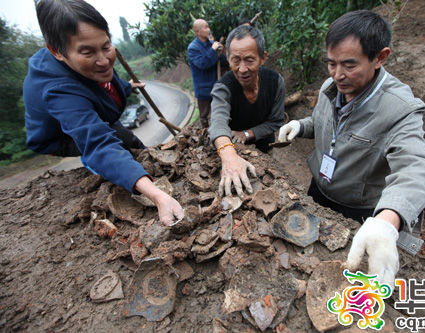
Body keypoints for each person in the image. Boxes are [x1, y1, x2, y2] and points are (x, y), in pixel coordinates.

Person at [278, 10, 425, 289]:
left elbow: (417, 167)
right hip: (318, 192)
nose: (338, 74)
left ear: (380, 57)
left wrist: (387, 222)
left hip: (360, 214)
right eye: (331, 63)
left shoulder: (400, 109)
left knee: (346, 282)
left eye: (349, 65)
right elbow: (326, 124)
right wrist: (301, 126)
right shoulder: (332, 86)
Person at [24, 0, 183, 226]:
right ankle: (127, 177)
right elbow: (98, 143)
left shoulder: (93, 62)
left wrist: (127, 87)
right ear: (56, 52)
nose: (103, 60)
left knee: (128, 141)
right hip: (61, 135)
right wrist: (157, 195)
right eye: (88, 52)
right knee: (114, 144)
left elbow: (108, 82)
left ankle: (142, 169)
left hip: (100, 118)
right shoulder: (58, 90)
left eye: (106, 46)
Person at [209, 25, 285, 197]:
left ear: (262, 58)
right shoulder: (223, 88)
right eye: (236, 60)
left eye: (249, 60)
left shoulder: (275, 82)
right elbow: (218, 122)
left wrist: (247, 134)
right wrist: (229, 155)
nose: (242, 69)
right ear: (227, 58)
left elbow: (275, 121)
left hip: (264, 146)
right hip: (233, 149)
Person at [187, 19, 227, 127]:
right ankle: (205, 137)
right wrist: (213, 51)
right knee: (204, 117)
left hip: (216, 86)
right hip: (204, 90)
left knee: (218, 114)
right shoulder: (193, 48)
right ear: (197, 32)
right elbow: (203, 64)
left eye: (208, 26)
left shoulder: (211, 44)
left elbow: (223, 63)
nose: (208, 29)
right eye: (205, 27)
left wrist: (221, 52)